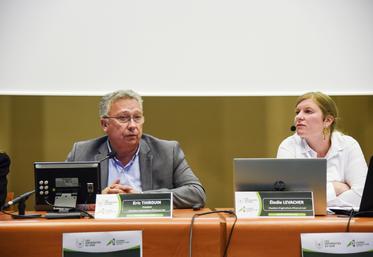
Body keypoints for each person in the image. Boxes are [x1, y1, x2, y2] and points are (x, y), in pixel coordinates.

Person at [66, 89, 206, 209]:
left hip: (150, 229)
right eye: (124, 118)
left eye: (137, 117)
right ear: (104, 124)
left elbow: (196, 194)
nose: (133, 125)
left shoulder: (167, 151)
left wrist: (140, 198)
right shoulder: (82, 152)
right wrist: (99, 200)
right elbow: (56, 199)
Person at [277, 92, 367, 207]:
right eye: (297, 112)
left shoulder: (349, 145)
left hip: (341, 221)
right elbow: (285, 199)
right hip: (301, 222)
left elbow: (361, 196)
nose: (299, 116)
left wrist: (315, 202)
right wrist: (336, 188)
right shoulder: (288, 146)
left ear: (328, 120)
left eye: (308, 111)